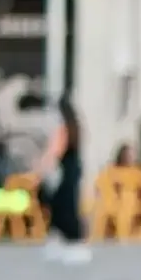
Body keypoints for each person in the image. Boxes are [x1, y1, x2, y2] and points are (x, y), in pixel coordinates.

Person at [39, 101, 91, 264]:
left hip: (62, 169)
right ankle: (70, 237)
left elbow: (55, 149)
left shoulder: (62, 128)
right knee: (68, 202)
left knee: (60, 204)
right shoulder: (75, 128)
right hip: (72, 167)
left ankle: (66, 237)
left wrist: (42, 167)